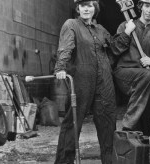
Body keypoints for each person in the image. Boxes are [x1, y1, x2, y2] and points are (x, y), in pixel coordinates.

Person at [53, 0, 135, 163]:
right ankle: (64, 161)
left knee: (108, 123)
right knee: (73, 123)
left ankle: (109, 160)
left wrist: (127, 32)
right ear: (78, 8)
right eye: (83, 5)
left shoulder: (101, 29)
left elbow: (114, 48)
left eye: (90, 5)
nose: (86, 9)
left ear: (95, 8)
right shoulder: (72, 25)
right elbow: (66, 47)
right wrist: (61, 66)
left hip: (104, 81)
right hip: (82, 78)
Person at [113, 0, 150, 137]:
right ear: (140, 7)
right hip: (125, 74)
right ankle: (128, 125)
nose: (149, 10)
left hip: (148, 82)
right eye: (147, 6)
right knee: (148, 75)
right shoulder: (126, 25)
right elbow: (114, 50)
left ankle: (142, 155)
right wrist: (126, 33)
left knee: (146, 119)